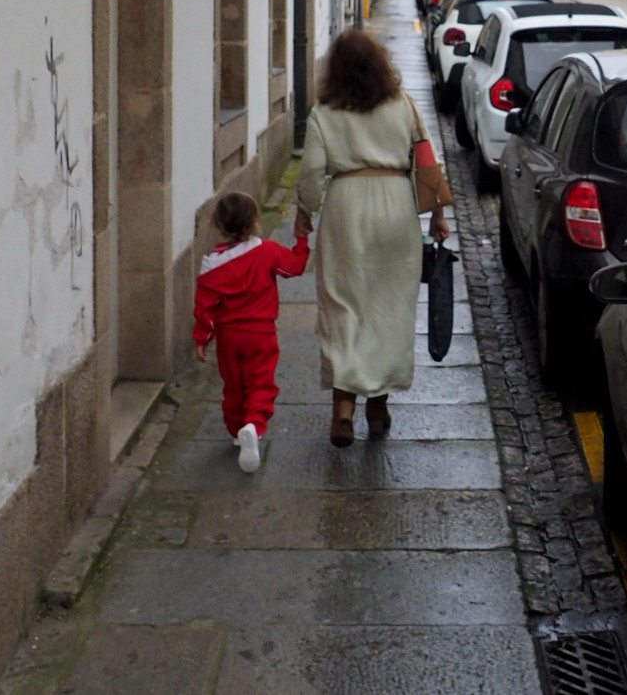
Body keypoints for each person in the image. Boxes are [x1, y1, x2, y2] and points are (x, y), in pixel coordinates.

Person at [294, 29, 450, 448]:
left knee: (343, 308)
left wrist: (304, 212)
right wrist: (437, 214)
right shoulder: (403, 106)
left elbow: (310, 175)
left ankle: (343, 412)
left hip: (347, 210)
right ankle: (377, 406)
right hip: (396, 210)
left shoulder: (324, 113)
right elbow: (425, 159)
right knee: (388, 310)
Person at [193, 192, 310, 473]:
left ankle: (237, 429)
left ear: (218, 224)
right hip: (261, 334)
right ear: (255, 221)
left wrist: (202, 339)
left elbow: (205, 308)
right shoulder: (267, 251)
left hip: (229, 337)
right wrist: (302, 240)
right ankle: (253, 426)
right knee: (261, 384)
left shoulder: (212, 264)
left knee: (234, 385)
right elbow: (295, 266)